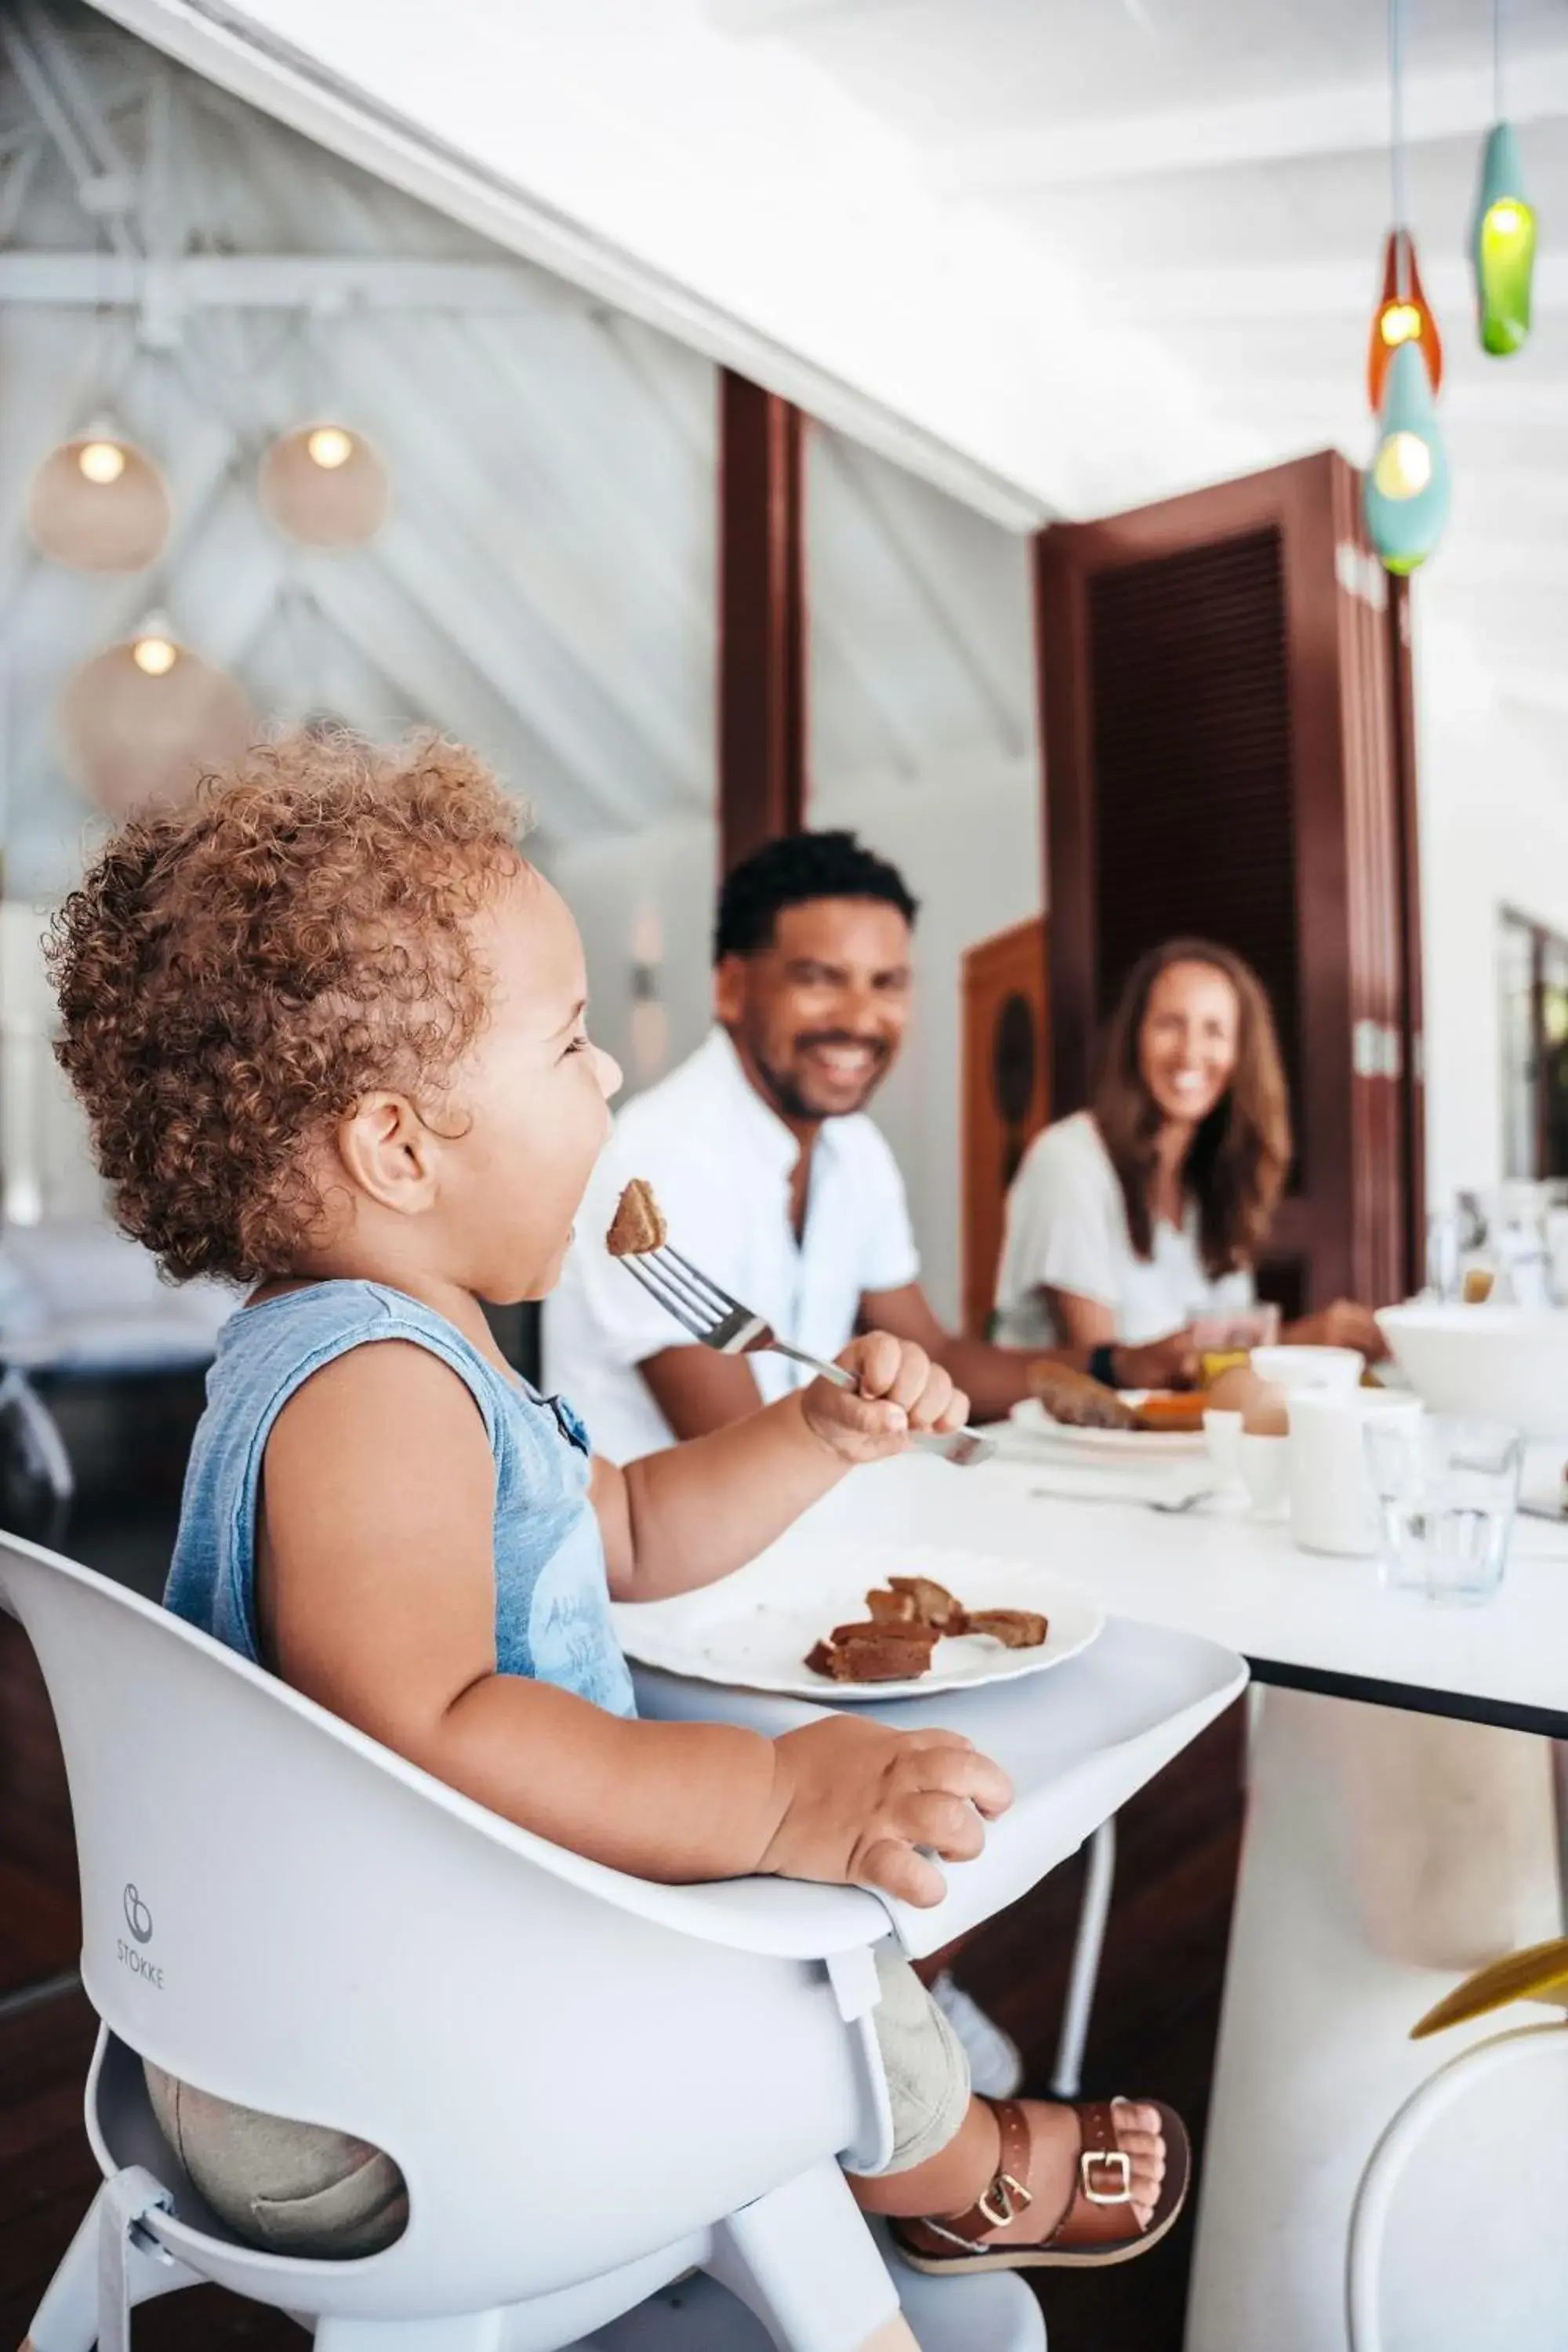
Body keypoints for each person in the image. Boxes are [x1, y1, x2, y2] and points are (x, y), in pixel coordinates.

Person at [49, 734, 1186, 2299]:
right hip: (374, 2090)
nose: (605, 1080)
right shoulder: (370, 1391)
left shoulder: (395, 1364)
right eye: (570, 1044)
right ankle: (955, 2165)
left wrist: (811, 1432)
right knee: (803, 1924)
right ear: (396, 1144)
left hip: (312, 2007)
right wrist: (773, 1803)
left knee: (755, 1867)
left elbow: (634, 1530)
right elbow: (439, 1726)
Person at [546, 829, 1196, 1470]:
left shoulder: (854, 1149)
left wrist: (1119, 1366)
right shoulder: (658, 1163)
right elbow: (736, 1452)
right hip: (656, 1567)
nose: (861, 1019)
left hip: (798, 1523)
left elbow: (936, 1352)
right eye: (822, 979)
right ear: (733, 988)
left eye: (887, 983)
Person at [993, 938, 1386, 1363]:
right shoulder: (1069, 1162)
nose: (1190, 1053)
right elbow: (1109, 1375)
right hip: (1064, 1429)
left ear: (1240, 1055)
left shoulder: (1211, 1186)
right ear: (1134, 1038)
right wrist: (1293, 1341)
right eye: (1169, 1024)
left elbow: (1225, 1363)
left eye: (1214, 1030)